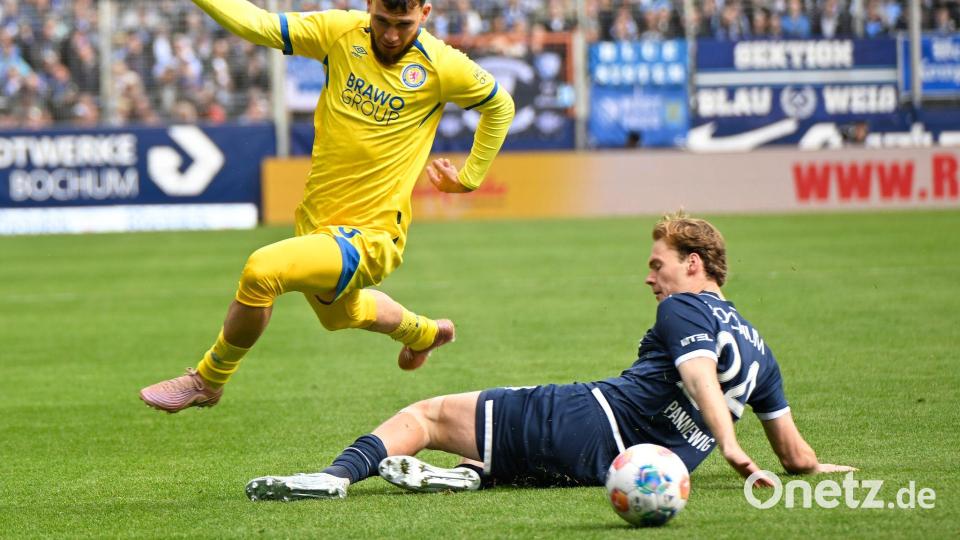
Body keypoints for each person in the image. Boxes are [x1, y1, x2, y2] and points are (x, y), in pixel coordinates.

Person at [243, 213, 856, 501]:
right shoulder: (760, 346)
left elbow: (697, 375)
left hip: (590, 421)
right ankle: (469, 475)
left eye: (658, 264)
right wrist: (828, 473)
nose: (652, 279)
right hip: (626, 465)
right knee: (502, 449)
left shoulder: (683, 309)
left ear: (694, 265)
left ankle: (330, 478)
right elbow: (798, 456)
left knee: (425, 415)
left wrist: (730, 447)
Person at [139, 0, 515, 413]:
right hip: (318, 220)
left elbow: (500, 105)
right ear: (369, 6)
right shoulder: (339, 33)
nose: (391, 35)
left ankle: (208, 379)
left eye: (403, 25)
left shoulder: (442, 65)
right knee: (341, 314)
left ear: (424, 15)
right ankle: (422, 333)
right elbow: (260, 25)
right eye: (383, 21)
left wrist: (469, 178)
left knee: (262, 271)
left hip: (372, 237)